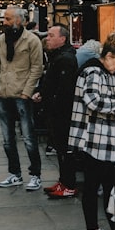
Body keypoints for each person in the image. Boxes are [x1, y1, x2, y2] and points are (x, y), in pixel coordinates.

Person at [68, 33, 115, 230]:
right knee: (101, 186)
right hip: (94, 140)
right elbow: (94, 102)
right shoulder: (94, 72)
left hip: (100, 140)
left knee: (100, 186)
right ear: (109, 56)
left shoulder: (104, 74)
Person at [0, 6, 44, 191]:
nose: (4, 22)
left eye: (7, 19)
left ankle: (35, 175)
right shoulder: (1, 40)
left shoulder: (32, 41)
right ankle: (15, 174)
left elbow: (37, 68)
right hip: (3, 94)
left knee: (29, 138)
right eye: (4, 18)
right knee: (8, 139)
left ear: (19, 20)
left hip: (22, 94)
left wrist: (26, 92)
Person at [36, 24, 80, 199]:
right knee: (60, 150)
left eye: (51, 35)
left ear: (62, 39)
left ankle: (68, 185)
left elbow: (64, 90)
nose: (48, 38)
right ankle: (63, 181)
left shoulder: (66, 59)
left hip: (62, 113)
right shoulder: (58, 57)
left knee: (64, 150)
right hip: (56, 111)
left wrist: (50, 100)